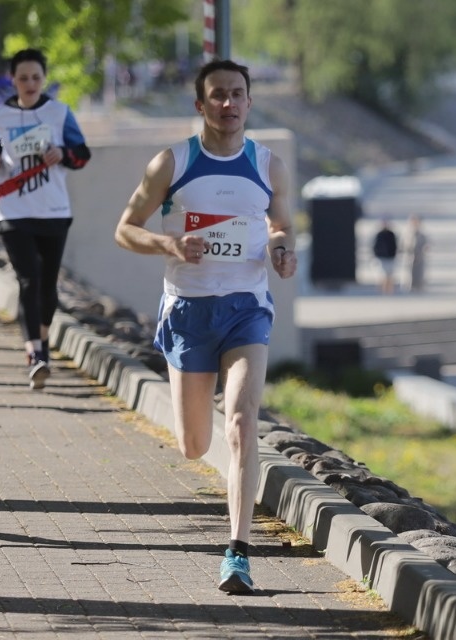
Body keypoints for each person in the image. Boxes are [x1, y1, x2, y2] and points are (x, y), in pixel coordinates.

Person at [113, 59, 297, 594]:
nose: (228, 103)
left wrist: (282, 249)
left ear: (250, 102)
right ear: (200, 104)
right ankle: (209, 444)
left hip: (246, 308)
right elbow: (125, 229)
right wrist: (169, 244)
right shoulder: (172, 163)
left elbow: (281, 225)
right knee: (194, 444)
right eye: (218, 94)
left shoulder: (268, 165)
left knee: (241, 421)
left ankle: (237, 552)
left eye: (237, 94)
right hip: (189, 311)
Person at [0, 48, 91, 388]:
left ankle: (43, 343)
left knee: (47, 285)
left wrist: (63, 153)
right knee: (28, 280)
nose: (30, 84)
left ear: (44, 79)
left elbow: (82, 154)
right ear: (13, 80)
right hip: (13, 211)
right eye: (23, 78)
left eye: (36, 77)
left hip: (53, 210)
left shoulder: (59, 112)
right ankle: (35, 354)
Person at [401, 214, 428, 293]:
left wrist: (424, 250)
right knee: (408, 274)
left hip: (419, 258)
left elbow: (425, 245)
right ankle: (409, 287)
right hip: (409, 257)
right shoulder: (407, 233)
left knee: (419, 274)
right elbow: (403, 245)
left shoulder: (422, 234)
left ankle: (418, 287)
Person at [371, 218, 398, 295]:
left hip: (390, 258)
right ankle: (382, 291)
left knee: (389, 276)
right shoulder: (379, 234)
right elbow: (376, 246)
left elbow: (394, 246)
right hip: (382, 258)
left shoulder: (391, 234)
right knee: (382, 275)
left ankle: (389, 292)